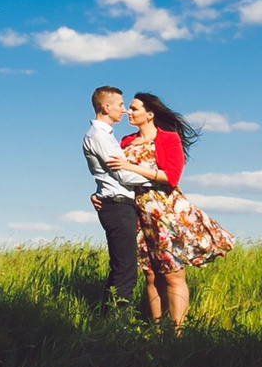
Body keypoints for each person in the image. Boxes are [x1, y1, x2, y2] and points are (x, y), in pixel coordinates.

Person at [119, 91, 234, 329]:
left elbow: (171, 177)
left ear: (150, 114)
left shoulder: (168, 139)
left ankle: (178, 332)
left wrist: (131, 167)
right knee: (150, 274)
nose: (129, 112)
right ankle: (158, 332)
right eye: (129, 108)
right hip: (139, 213)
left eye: (134, 108)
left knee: (172, 274)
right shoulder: (126, 142)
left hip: (165, 212)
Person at [81, 85, 138, 308]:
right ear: (106, 107)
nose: (124, 110)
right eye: (121, 105)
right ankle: (118, 327)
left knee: (123, 267)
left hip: (117, 204)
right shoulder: (99, 136)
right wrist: (160, 178)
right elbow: (122, 174)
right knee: (125, 270)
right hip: (117, 206)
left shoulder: (106, 136)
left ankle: (110, 323)